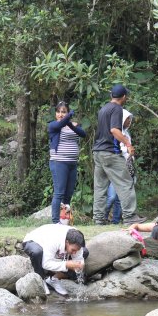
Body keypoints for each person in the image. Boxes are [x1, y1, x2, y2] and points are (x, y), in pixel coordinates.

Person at [92, 84, 145, 225]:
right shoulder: (117, 109)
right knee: (126, 182)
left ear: (111, 96)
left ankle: (98, 218)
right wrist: (128, 144)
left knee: (100, 186)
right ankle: (129, 217)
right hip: (110, 152)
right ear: (124, 97)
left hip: (97, 152)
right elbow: (114, 130)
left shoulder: (103, 109)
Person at [22, 224, 89, 296]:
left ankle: (53, 279)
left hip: (55, 249)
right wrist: (66, 264)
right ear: (67, 242)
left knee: (85, 252)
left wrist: (80, 265)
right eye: (73, 250)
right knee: (37, 252)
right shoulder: (55, 240)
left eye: (77, 250)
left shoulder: (77, 240)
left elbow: (79, 260)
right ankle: (41, 280)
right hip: (33, 241)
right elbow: (46, 264)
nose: (75, 252)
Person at [47, 101, 86, 224]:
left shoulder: (72, 124)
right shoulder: (53, 125)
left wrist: (70, 124)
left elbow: (83, 134)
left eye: (63, 112)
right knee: (59, 192)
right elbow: (60, 124)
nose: (60, 114)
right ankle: (55, 222)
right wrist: (68, 119)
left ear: (68, 112)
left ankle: (64, 220)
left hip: (72, 163)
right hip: (59, 162)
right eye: (58, 112)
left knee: (68, 194)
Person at [104, 109, 134, 224]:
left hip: (126, 166)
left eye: (130, 119)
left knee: (119, 198)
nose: (129, 121)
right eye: (127, 119)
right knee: (111, 196)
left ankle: (115, 220)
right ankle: (103, 217)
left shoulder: (127, 134)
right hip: (116, 166)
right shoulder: (116, 133)